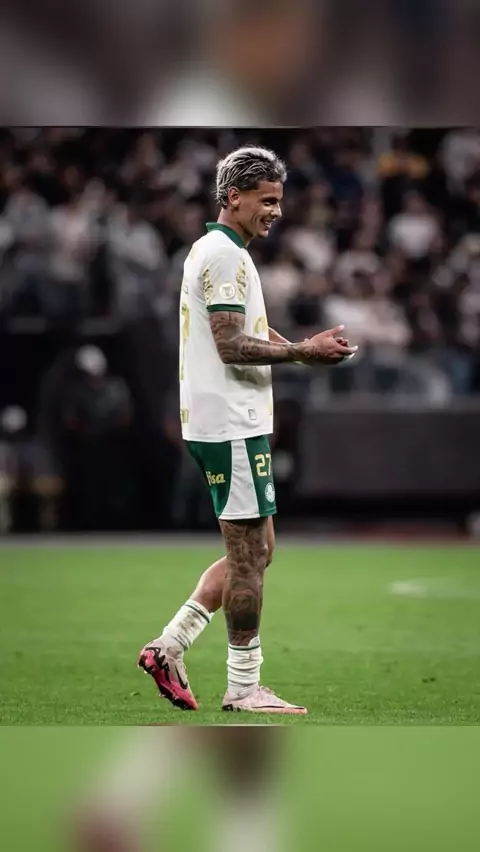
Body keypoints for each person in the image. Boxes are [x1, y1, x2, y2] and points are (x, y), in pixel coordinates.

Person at [138, 145, 357, 715]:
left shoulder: (221, 250)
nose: (276, 212)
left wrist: (302, 348)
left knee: (259, 551)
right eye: (267, 200)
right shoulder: (223, 255)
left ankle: (170, 647)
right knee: (247, 558)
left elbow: (246, 328)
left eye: (279, 201)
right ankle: (242, 686)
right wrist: (303, 352)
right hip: (229, 423)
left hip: (232, 421)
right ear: (233, 197)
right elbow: (231, 344)